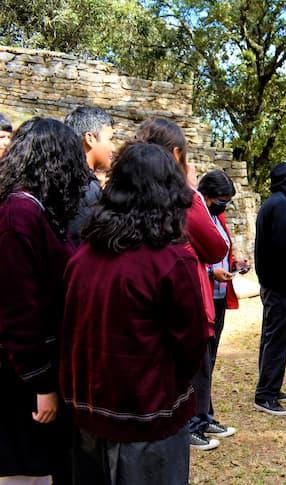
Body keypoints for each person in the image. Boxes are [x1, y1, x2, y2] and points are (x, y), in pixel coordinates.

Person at [61, 142, 207, 484]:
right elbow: (191, 347)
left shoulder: (82, 257)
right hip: (147, 419)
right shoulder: (170, 263)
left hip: (88, 415)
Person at [0, 118, 90, 483]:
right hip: (20, 382)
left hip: (39, 373)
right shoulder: (18, 214)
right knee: (26, 474)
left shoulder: (37, 209)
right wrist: (42, 386)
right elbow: (17, 312)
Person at [135, 118, 228, 450]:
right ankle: (191, 423)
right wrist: (195, 197)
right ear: (176, 156)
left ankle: (194, 419)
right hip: (179, 291)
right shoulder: (182, 198)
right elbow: (216, 246)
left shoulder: (121, 196)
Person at [195, 170, 247, 442]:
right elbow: (191, 257)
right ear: (208, 196)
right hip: (204, 295)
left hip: (219, 295)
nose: (224, 205)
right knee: (200, 363)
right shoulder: (196, 216)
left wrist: (233, 266)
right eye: (222, 199)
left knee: (210, 360)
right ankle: (195, 423)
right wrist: (210, 272)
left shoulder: (217, 215)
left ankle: (205, 415)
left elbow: (221, 250)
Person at [254, 162, 286, 415]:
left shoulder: (274, 203)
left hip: (272, 282)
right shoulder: (281, 205)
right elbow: (285, 247)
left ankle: (270, 387)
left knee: (271, 336)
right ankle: (265, 394)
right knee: (277, 338)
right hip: (277, 284)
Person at [64, 107, 116, 246]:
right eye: (110, 139)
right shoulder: (85, 187)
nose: (113, 148)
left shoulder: (61, 175)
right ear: (90, 138)